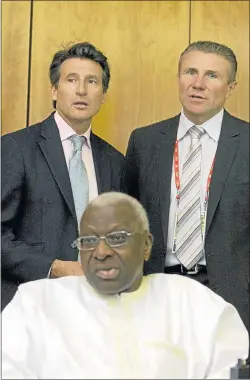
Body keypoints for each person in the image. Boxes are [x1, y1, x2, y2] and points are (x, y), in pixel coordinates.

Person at [1, 192, 248, 379]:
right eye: (88, 240)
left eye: (117, 238)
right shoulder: (36, 304)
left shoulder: (195, 305)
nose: (101, 252)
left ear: (147, 245)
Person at [122, 41, 249, 334]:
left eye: (212, 76)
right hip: (154, 291)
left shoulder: (246, 142)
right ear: (179, 78)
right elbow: (128, 217)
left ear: (230, 87)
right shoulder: (145, 141)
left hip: (230, 296)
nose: (198, 84)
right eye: (190, 72)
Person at [1, 42, 125, 310]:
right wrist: (55, 268)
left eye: (92, 81)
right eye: (72, 80)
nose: (82, 90)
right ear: (55, 90)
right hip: (31, 306)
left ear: (103, 95)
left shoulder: (115, 161)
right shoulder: (16, 148)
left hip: (97, 309)